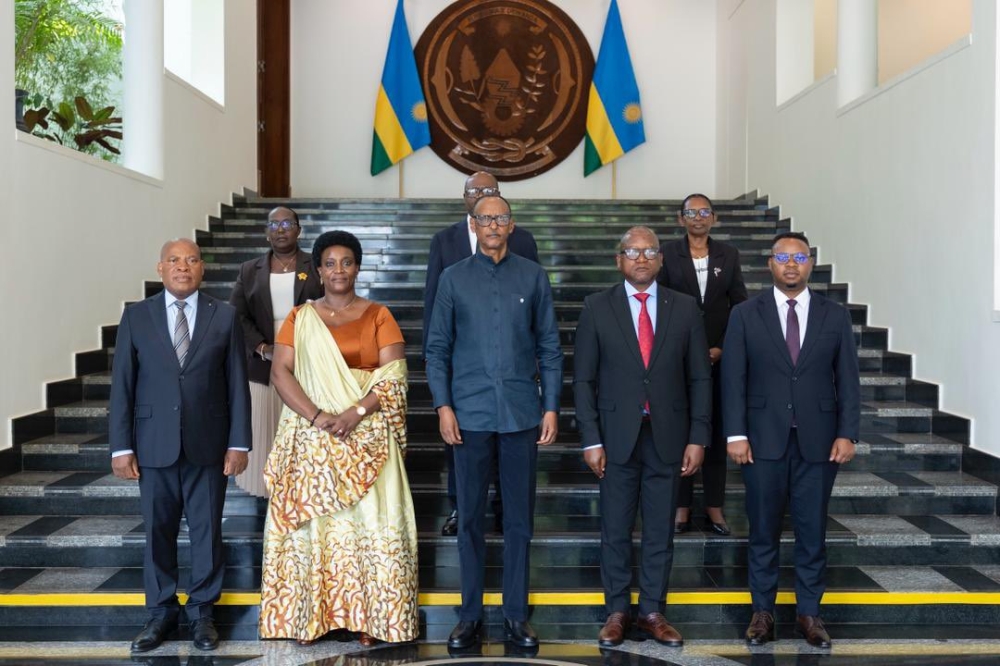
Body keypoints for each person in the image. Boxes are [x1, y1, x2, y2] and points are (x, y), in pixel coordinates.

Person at [259, 230, 417, 646]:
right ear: (318, 270)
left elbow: (394, 375)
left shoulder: (379, 314)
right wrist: (318, 417)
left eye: (346, 262)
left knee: (369, 530)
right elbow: (280, 372)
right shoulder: (300, 317)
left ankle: (372, 619)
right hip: (311, 437)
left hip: (366, 436)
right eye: (330, 263)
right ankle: (310, 618)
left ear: (358, 267)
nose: (338, 270)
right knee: (315, 530)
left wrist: (354, 413)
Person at [425, 195, 563, 649]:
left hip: (522, 414)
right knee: (469, 521)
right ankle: (469, 615)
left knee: (520, 520)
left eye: (500, 217)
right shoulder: (452, 278)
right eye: (484, 218)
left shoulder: (533, 275)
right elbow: (437, 349)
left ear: (511, 224)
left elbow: (549, 347)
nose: (492, 225)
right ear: (473, 224)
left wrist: (551, 407)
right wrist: (444, 407)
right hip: (468, 416)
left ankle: (516, 616)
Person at [109, 239, 251, 653]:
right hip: (152, 445)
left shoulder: (224, 316)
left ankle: (203, 613)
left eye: (191, 260)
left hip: (209, 443)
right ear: (160, 268)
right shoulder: (136, 317)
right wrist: (121, 447)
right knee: (158, 531)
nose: (183, 267)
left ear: (202, 268)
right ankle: (161, 613)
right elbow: (122, 386)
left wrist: (239, 443)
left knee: (207, 532)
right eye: (174, 260)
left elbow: (236, 386)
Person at [574, 226, 712, 648]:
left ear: (660, 259)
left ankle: (652, 610)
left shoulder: (685, 308)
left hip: (669, 436)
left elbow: (699, 378)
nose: (641, 258)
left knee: (659, 531)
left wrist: (698, 437)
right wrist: (591, 439)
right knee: (615, 528)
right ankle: (617, 611)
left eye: (649, 250)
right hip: (615, 438)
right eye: (632, 251)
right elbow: (583, 380)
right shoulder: (597, 307)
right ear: (619, 260)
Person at [722, 231, 860, 649]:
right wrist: (736, 433)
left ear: (810, 263)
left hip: (819, 442)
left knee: (812, 531)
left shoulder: (834, 316)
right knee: (762, 530)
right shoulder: (746, 314)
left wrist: (848, 432)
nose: (791, 264)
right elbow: (733, 378)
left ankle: (809, 614)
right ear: (770, 264)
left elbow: (848, 381)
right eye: (783, 257)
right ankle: (761, 614)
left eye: (799, 257)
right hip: (761, 441)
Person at [423, 171, 540, 537]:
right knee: (458, 442)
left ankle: (505, 508)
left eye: (490, 192)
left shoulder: (522, 240)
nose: (483, 196)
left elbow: (535, 311)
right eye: (476, 192)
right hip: (465, 368)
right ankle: (460, 506)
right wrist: (435, 363)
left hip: (510, 367)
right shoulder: (444, 241)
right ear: (464, 199)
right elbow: (433, 305)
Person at [657, 194, 748, 535]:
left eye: (704, 212)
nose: (698, 217)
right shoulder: (666, 253)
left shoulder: (729, 254)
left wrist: (723, 348)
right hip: (678, 361)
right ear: (681, 218)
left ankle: (714, 508)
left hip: (719, 360)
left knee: (715, 433)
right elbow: (661, 306)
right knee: (682, 433)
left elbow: (740, 307)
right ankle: (681, 508)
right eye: (691, 212)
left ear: (714, 217)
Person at [229, 206, 323, 497]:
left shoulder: (316, 265)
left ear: (299, 229)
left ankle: (303, 492)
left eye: (287, 223)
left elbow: (329, 307)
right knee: (266, 431)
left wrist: (302, 347)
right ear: (265, 231)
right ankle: (269, 496)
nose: (280, 229)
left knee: (303, 434)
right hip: (262, 364)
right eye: (274, 224)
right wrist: (262, 347)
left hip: (308, 362)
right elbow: (237, 315)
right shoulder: (249, 269)